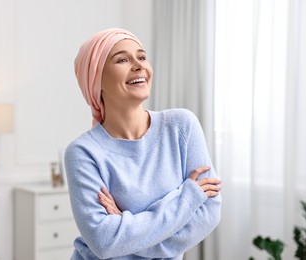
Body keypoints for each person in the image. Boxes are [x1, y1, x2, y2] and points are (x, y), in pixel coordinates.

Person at [64, 28, 222, 260]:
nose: (139, 65)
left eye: (142, 56)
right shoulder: (82, 153)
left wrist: (124, 224)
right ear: (96, 80)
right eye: (122, 59)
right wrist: (186, 198)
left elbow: (208, 214)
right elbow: (104, 242)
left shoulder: (181, 126)